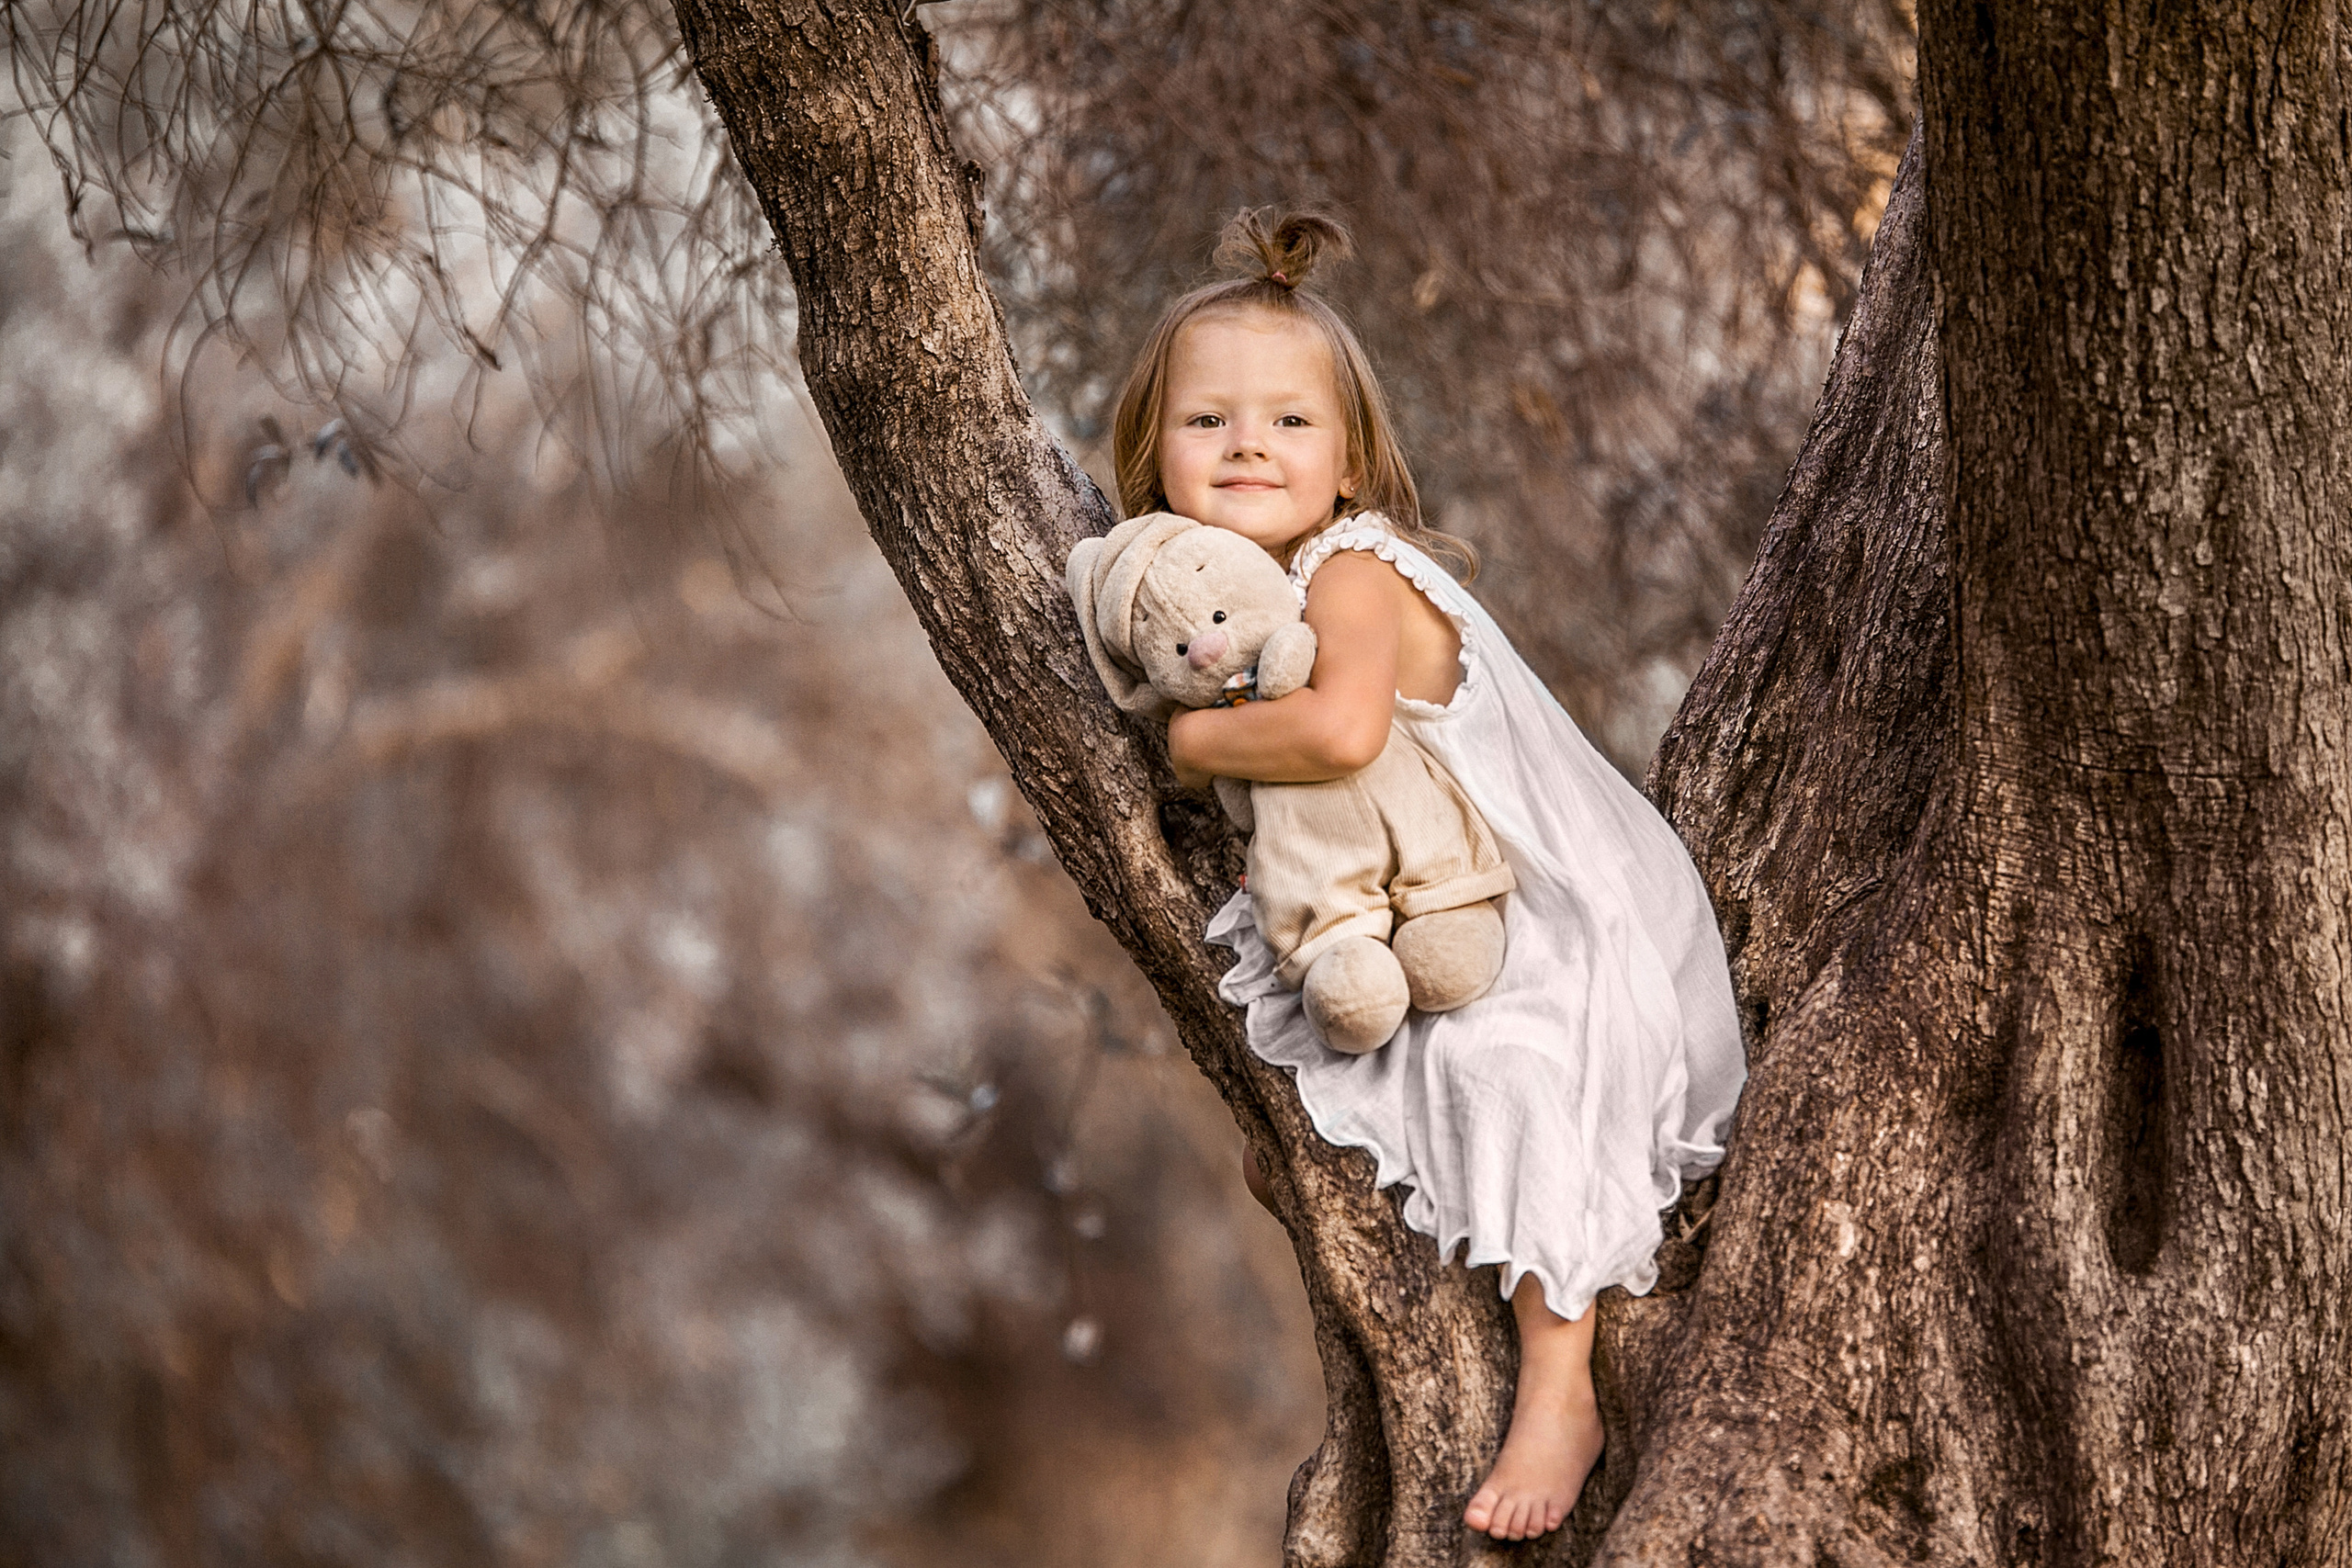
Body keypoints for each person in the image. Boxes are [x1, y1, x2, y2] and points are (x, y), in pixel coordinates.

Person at [1107, 209, 1747, 1542]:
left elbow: (1341, 732)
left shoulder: (1346, 573)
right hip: (1432, 901)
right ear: (1151, 452)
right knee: (1387, 1038)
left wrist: (1191, 740)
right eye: (1209, 422)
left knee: (1502, 1067)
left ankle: (1563, 1383)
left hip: (1559, 916)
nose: (1246, 448)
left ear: (1349, 465)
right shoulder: (1247, 598)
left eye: (1288, 424)